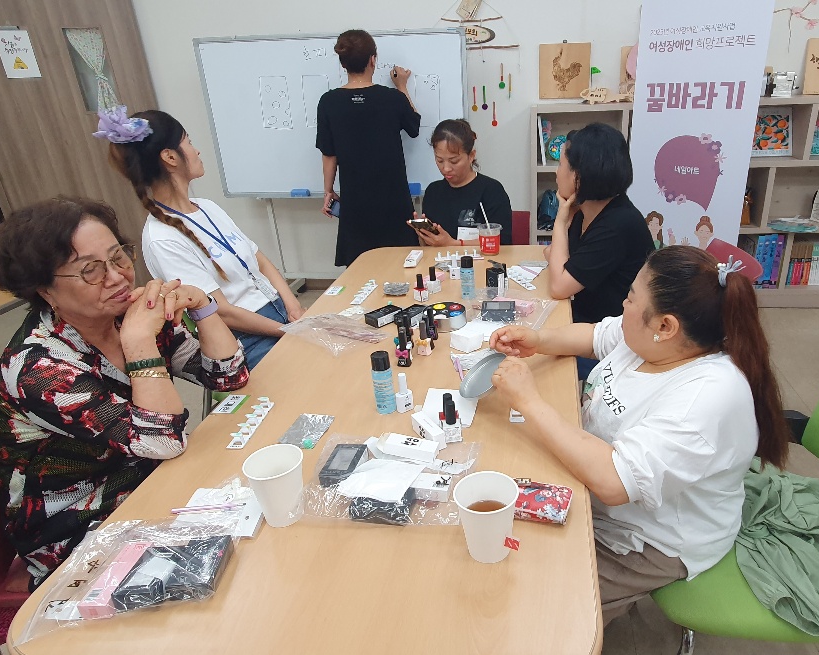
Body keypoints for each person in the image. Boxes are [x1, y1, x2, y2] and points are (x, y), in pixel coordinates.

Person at [488, 245, 790, 623]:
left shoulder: (705, 398)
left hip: (655, 539)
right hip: (601, 492)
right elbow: (594, 335)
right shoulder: (651, 341)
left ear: (665, 326)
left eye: (631, 297)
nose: (624, 304)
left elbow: (615, 481)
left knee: (532, 599)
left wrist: (529, 402)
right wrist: (538, 340)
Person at [0, 197, 248, 589]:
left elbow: (228, 377)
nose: (117, 277)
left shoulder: (124, 313)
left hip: (151, 480)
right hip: (79, 529)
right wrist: (140, 343)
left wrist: (204, 306)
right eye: (90, 270)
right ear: (45, 290)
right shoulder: (38, 368)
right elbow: (163, 442)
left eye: (118, 256)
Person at [99, 106, 304, 370]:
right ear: (170, 157)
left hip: (279, 312)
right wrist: (286, 331)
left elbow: (258, 259)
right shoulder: (162, 238)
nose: (196, 151)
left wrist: (293, 306)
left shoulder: (207, 207)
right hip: (247, 340)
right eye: (189, 142)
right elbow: (221, 312)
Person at [544, 122, 654, 379]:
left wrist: (560, 221)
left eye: (561, 165)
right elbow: (552, 255)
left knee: (536, 361)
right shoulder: (588, 210)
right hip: (586, 321)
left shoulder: (617, 224)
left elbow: (559, 285)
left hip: (614, 343)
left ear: (579, 177)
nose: (557, 173)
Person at [316, 29, 422, 266]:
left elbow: (328, 152)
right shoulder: (392, 98)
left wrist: (328, 191)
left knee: (359, 267)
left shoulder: (328, 102)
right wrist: (402, 86)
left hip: (355, 200)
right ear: (373, 60)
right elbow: (414, 126)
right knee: (400, 263)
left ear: (343, 63)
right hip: (393, 198)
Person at [412, 119, 513, 247]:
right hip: (439, 259)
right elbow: (428, 247)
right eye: (440, 160)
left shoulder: (491, 190)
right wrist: (423, 235)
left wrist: (453, 244)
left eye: (454, 161)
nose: (446, 168)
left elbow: (502, 242)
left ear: (471, 156)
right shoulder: (433, 191)